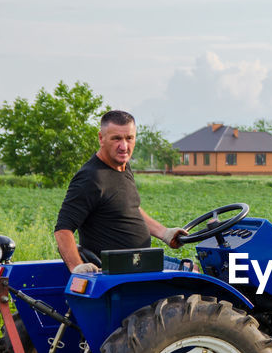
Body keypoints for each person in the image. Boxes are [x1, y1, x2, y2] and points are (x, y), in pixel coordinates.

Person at [54, 110, 186, 274]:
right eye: (116, 138)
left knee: (195, 267)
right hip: (121, 269)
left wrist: (164, 233)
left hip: (140, 260)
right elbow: (63, 229)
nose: (124, 146)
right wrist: (76, 267)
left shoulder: (123, 166)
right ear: (101, 138)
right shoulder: (91, 178)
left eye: (129, 138)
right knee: (196, 275)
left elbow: (130, 209)